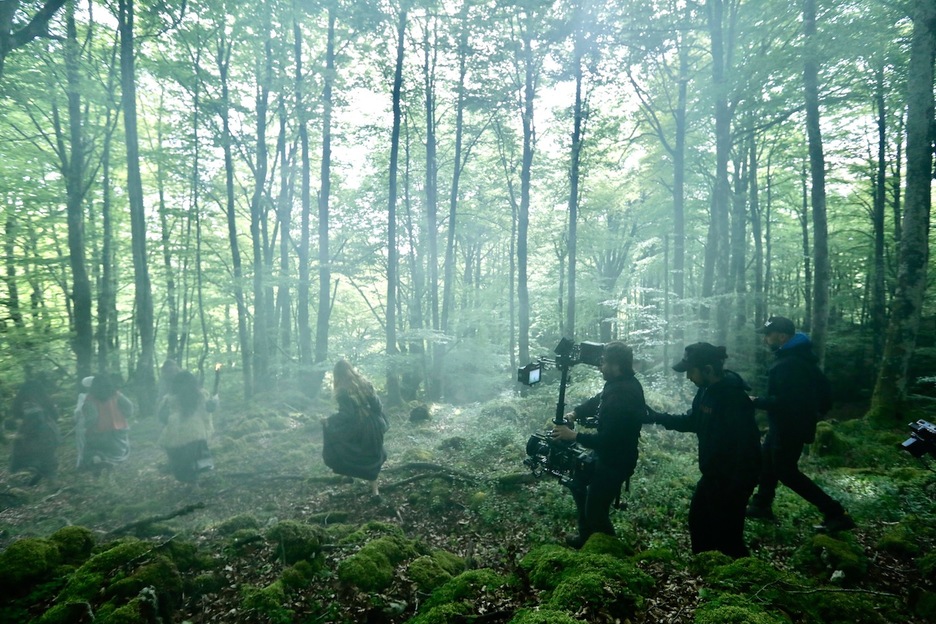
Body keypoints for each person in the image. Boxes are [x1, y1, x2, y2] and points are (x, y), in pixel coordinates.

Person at [645, 343, 761, 558]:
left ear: (708, 369)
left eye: (691, 370)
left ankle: (744, 578)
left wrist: (738, 485)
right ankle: (706, 571)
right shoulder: (706, 391)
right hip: (714, 475)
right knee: (699, 523)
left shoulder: (733, 398)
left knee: (727, 537)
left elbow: (748, 444)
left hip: (734, 478)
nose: (688, 376)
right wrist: (657, 417)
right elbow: (693, 421)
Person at [746, 316, 855, 532]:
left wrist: (757, 402)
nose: (765, 339)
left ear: (782, 336)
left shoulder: (791, 363)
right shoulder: (798, 357)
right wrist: (816, 412)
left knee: (786, 471)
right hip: (784, 425)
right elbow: (824, 390)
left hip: (789, 427)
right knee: (767, 461)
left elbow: (786, 401)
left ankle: (836, 513)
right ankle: (761, 505)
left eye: (768, 335)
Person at [552, 341, 645, 549]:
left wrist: (573, 436)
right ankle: (586, 537)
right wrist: (576, 412)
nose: (600, 367)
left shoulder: (624, 395)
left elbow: (607, 441)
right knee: (578, 483)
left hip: (615, 462)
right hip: (608, 455)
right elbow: (599, 399)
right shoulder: (619, 384)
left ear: (615, 365)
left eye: (604, 363)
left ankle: (616, 555)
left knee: (595, 512)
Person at [323, 360, 388, 497]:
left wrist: (329, 420)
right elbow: (377, 406)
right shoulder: (365, 383)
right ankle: (374, 491)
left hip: (358, 427)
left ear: (337, 374)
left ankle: (349, 474)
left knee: (349, 449)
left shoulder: (342, 391)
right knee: (372, 455)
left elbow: (348, 415)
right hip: (373, 424)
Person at [158, 370, 218, 483]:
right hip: (196, 434)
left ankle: (192, 483)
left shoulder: (168, 399)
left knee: (180, 462)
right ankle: (195, 484)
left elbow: (162, 418)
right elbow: (206, 412)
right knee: (197, 461)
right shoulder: (201, 395)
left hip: (174, 436)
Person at [75, 373, 132, 478]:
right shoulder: (116, 394)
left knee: (92, 450)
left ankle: (98, 464)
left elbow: (92, 416)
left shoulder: (90, 398)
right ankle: (108, 471)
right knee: (115, 454)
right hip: (117, 432)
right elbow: (129, 407)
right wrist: (124, 416)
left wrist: (86, 426)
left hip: (98, 432)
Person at [9, 380, 61, 485]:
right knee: (48, 456)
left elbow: (16, 414)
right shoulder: (44, 398)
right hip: (48, 431)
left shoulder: (22, 398)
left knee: (20, 452)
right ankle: (52, 480)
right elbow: (56, 415)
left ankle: (24, 478)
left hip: (29, 432)